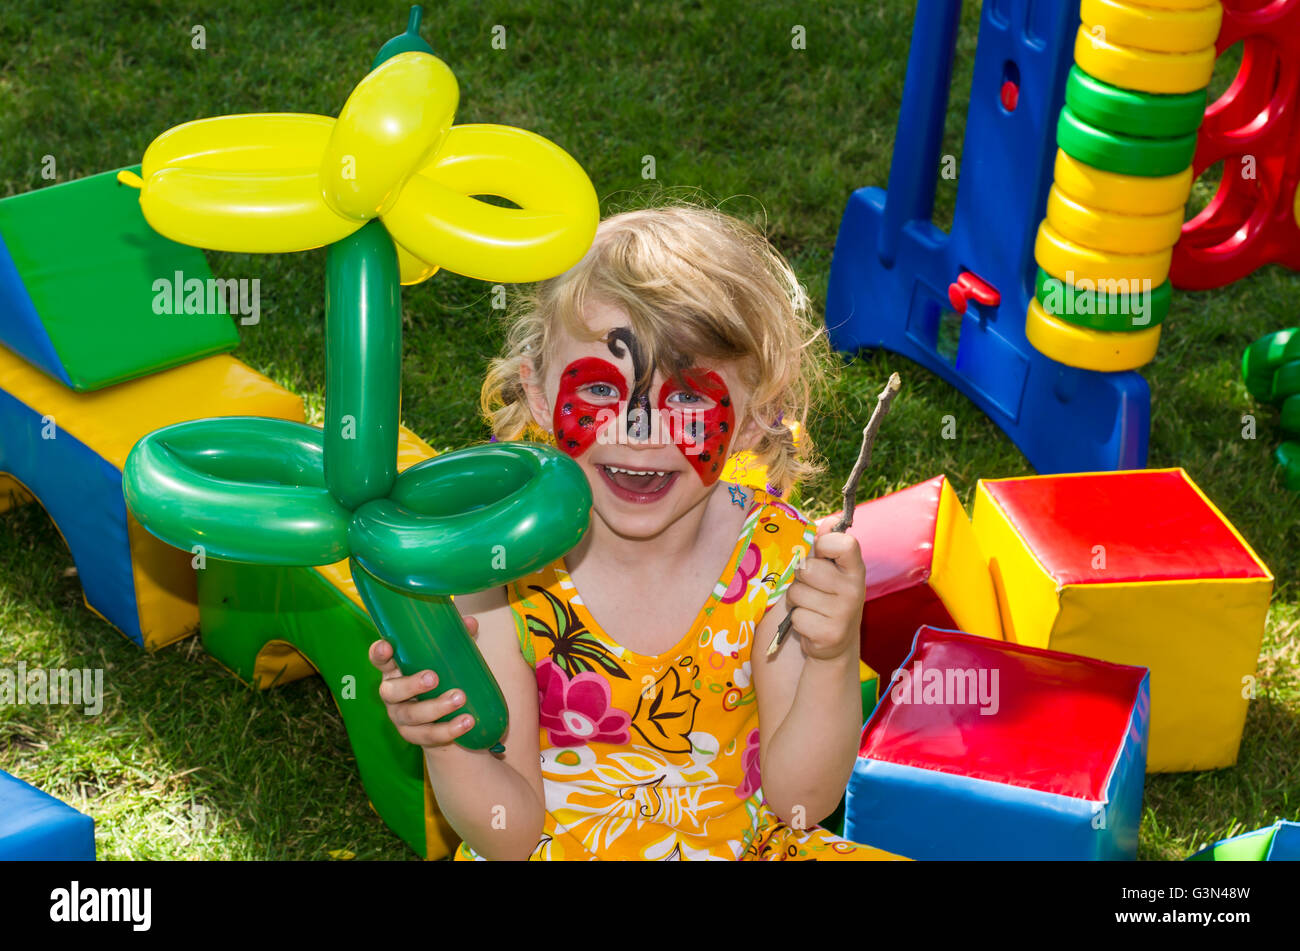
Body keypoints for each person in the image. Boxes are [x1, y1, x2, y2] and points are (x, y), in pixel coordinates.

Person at [369, 203, 904, 860]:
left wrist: (831, 656)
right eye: (600, 391)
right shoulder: (497, 570)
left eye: (685, 398)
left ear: (754, 414)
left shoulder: (776, 562)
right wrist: (448, 738)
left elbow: (802, 801)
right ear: (538, 394)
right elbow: (509, 833)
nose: (641, 430)